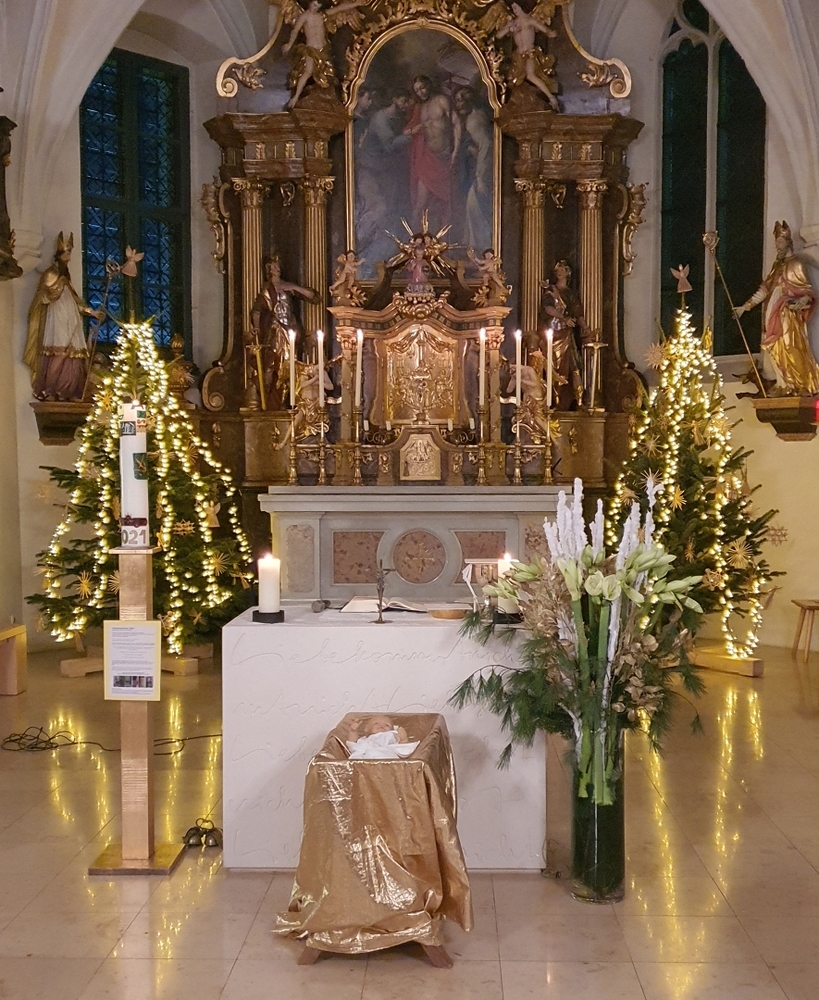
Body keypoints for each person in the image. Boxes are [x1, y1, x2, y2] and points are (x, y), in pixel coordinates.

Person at [734, 220, 819, 396]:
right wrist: (745, 307)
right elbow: (764, 290)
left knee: (791, 347)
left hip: (789, 315)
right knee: (775, 348)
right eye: (776, 243)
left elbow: (807, 290)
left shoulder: (797, 264)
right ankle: (782, 383)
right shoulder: (776, 267)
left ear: (788, 242)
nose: (777, 246)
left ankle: (796, 384)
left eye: (780, 242)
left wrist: (803, 299)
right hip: (773, 314)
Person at [23, 232, 103, 400]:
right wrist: (50, 296)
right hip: (57, 318)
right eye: (65, 254)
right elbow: (43, 297)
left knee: (74, 353)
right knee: (59, 352)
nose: (68, 258)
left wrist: (92, 312)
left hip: (71, 318)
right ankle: (50, 389)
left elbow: (75, 300)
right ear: (58, 255)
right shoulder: (50, 274)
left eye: (69, 254)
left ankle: (68, 391)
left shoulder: (66, 277)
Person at [249, 256, 318, 407]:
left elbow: (313, 297)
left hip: (290, 331)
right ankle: (271, 400)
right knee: (273, 364)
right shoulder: (267, 290)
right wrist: (256, 327)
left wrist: (294, 287)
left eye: (278, 266)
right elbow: (257, 310)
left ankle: (287, 399)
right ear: (269, 270)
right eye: (274, 266)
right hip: (276, 331)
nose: (278, 268)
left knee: (290, 364)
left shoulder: (287, 286)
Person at [282, 0, 366, 109]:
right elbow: (295, 31)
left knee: (329, 73)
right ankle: (295, 97)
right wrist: (289, 44)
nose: (315, 8)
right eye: (314, 5)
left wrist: (356, 4)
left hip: (323, 49)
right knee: (308, 72)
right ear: (310, 3)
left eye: (318, 6)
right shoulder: (304, 17)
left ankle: (324, 93)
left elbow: (339, 8)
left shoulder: (322, 15)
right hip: (311, 49)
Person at [538, 260, 591, 409]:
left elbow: (578, 313)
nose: (559, 272)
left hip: (567, 335)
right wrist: (563, 318)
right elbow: (548, 308)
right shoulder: (551, 290)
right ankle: (554, 402)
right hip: (553, 335)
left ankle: (579, 402)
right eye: (557, 270)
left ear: (568, 272)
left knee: (575, 367)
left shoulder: (570, 294)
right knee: (555, 369)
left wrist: (585, 327)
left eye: (562, 269)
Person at [405, 75, 453, 229]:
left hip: (444, 158)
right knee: (420, 203)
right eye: (417, 91)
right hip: (426, 159)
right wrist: (414, 130)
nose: (420, 93)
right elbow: (407, 131)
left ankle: (444, 238)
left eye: (422, 88)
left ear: (429, 84)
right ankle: (412, 237)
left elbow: (456, 124)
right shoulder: (419, 109)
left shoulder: (441, 101)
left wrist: (455, 151)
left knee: (446, 201)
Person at [497, 2, 560, 111]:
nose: (514, 10)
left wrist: (551, 33)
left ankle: (552, 98)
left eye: (516, 7)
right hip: (518, 56)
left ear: (522, 6)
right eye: (512, 8)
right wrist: (508, 28)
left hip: (530, 53)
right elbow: (498, 35)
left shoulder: (530, 20)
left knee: (531, 75)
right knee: (513, 81)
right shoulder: (513, 23)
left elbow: (545, 29)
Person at [452, 88, 493, 251]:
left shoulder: (474, 120)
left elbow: (486, 145)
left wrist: (480, 176)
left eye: (462, 99)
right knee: (471, 207)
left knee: (475, 206)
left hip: (481, 171)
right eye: (457, 100)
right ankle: (474, 246)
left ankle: (481, 249)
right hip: (474, 169)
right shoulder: (470, 118)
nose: (459, 104)